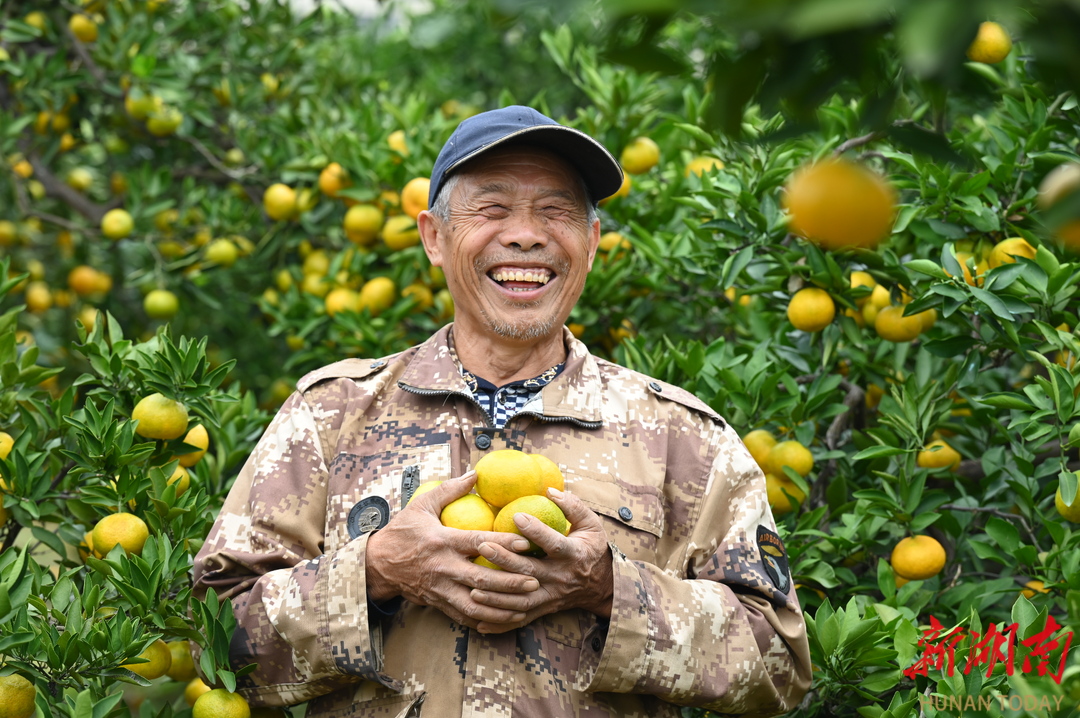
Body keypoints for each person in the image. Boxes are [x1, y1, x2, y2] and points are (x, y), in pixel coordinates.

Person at [193, 105, 812, 718]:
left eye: (556, 212)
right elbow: (214, 638)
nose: (525, 234)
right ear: (434, 238)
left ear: (591, 244)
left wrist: (610, 590)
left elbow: (781, 668)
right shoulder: (329, 416)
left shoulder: (684, 436)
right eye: (492, 210)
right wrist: (376, 572)